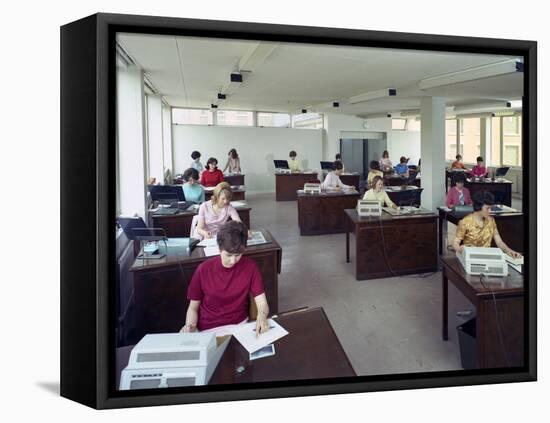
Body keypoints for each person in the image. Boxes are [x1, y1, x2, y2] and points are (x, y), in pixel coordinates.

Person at [181, 221, 270, 334]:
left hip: (239, 325)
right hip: (209, 328)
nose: (233, 261)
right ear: (219, 248)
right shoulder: (203, 269)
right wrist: (190, 325)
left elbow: (262, 303)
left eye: (238, 255)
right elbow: (193, 308)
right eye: (228, 255)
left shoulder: (250, 267)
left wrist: (261, 317)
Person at [452, 191, 521, 258]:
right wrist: (459, 249)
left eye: (491, 208)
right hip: (470, 257)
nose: (490, 211)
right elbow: (456, 242)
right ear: (479, 207)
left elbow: (499, 242)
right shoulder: (465, 222)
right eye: (487, 208)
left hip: (486, 257)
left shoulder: (491, 220)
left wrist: (509, 251)